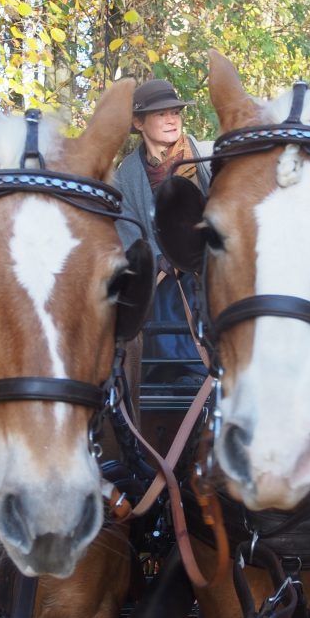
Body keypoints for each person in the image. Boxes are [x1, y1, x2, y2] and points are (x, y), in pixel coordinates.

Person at [114, 78, 212, 389]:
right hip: (162, 281)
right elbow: (128, 230)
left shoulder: (207, 158)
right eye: (160, 114)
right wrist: (159, 259)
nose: (171, 119)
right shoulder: (126, 176)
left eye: (175, 112)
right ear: (138, 122)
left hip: (213, 271)